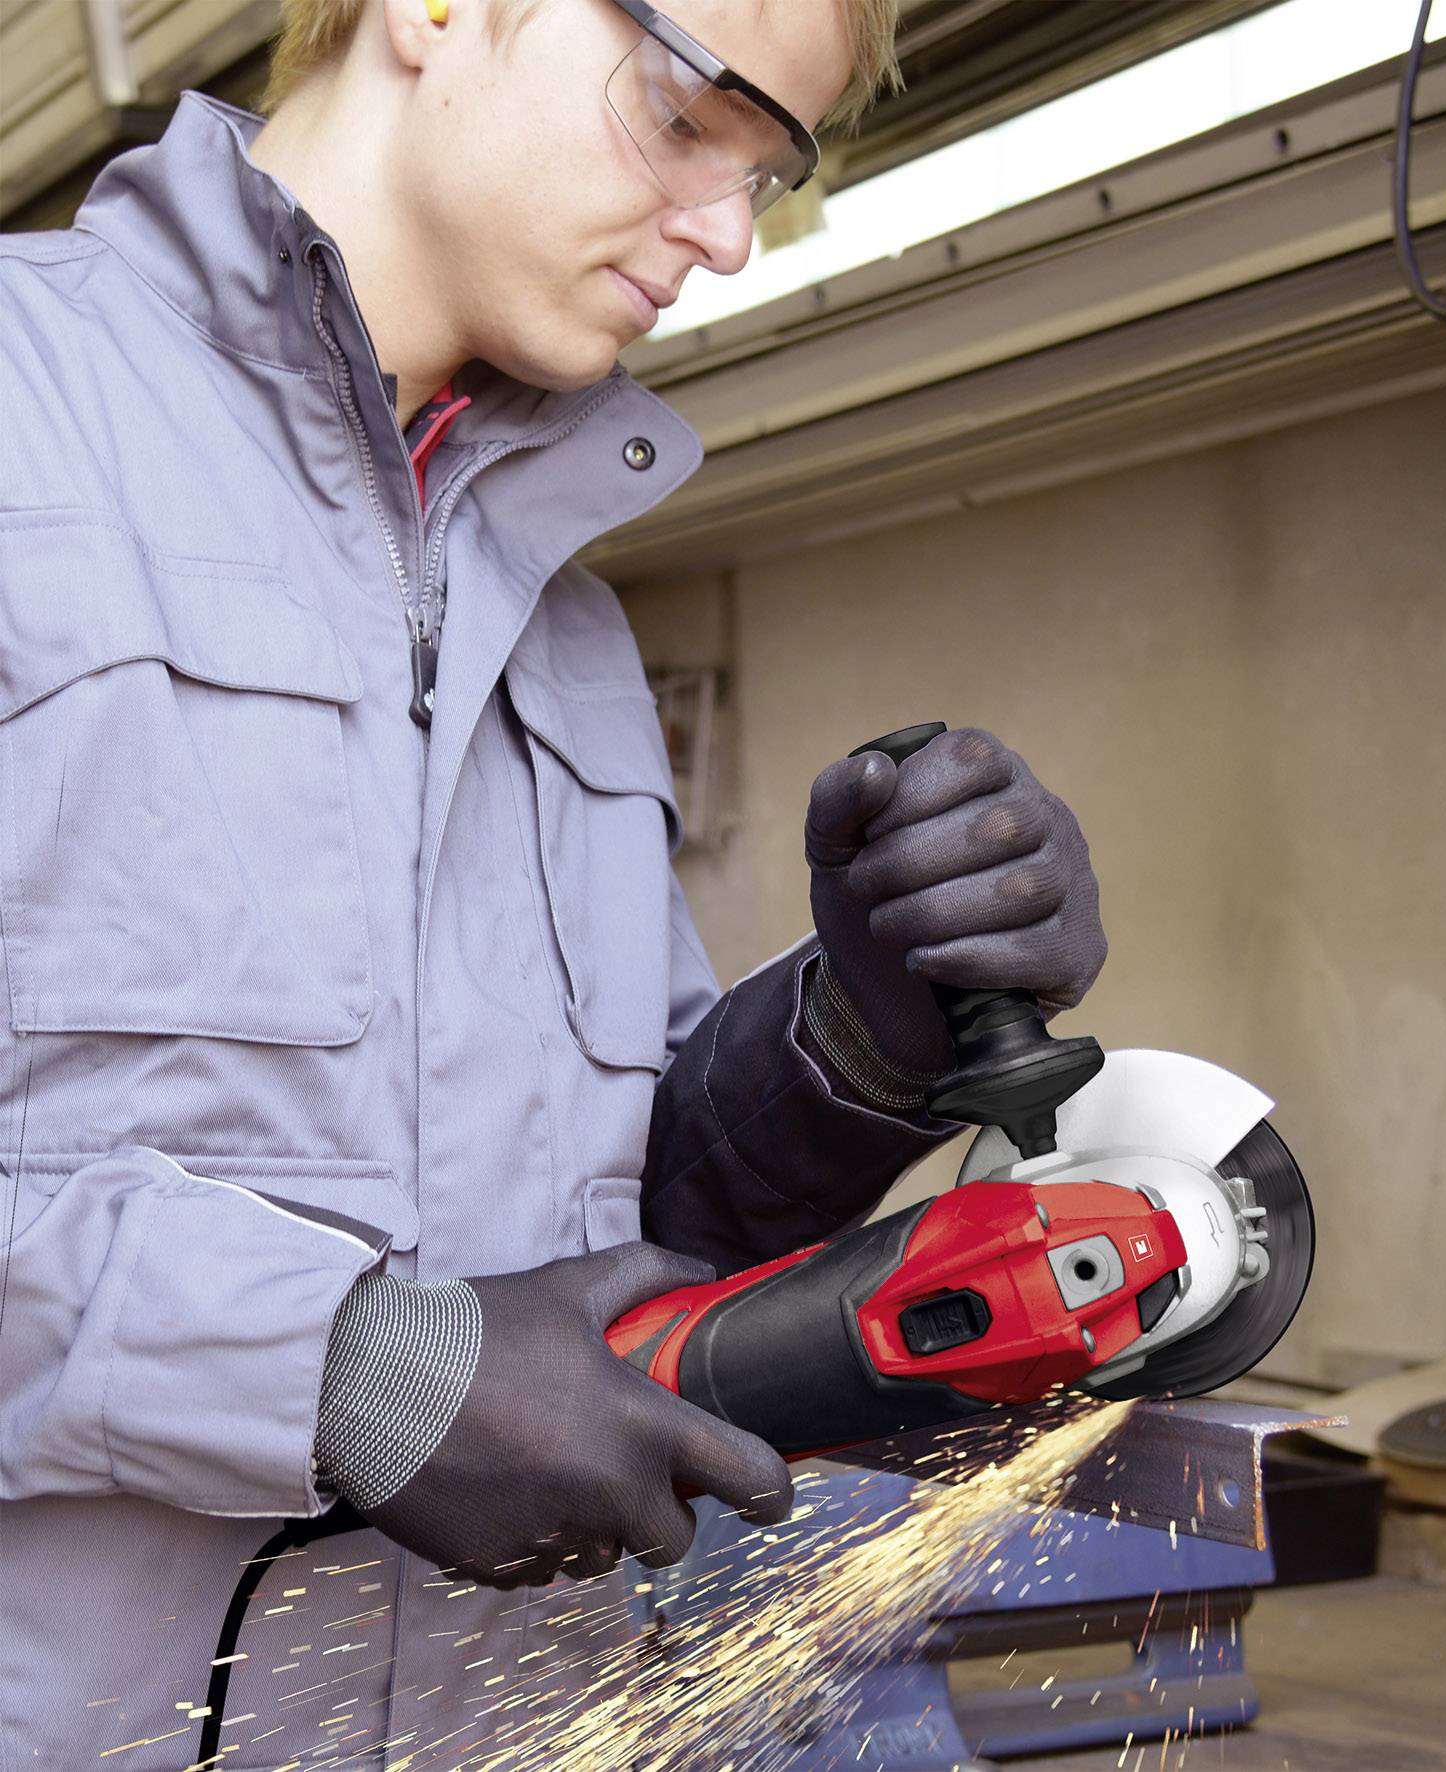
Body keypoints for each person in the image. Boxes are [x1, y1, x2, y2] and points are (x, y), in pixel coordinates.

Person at [0, 0, 1108, 1761]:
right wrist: (332, 1373)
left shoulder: (568, 627)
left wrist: (855, 1047)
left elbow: (624, 1236)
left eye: (771, 173)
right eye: (689, 118)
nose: (730, 237)